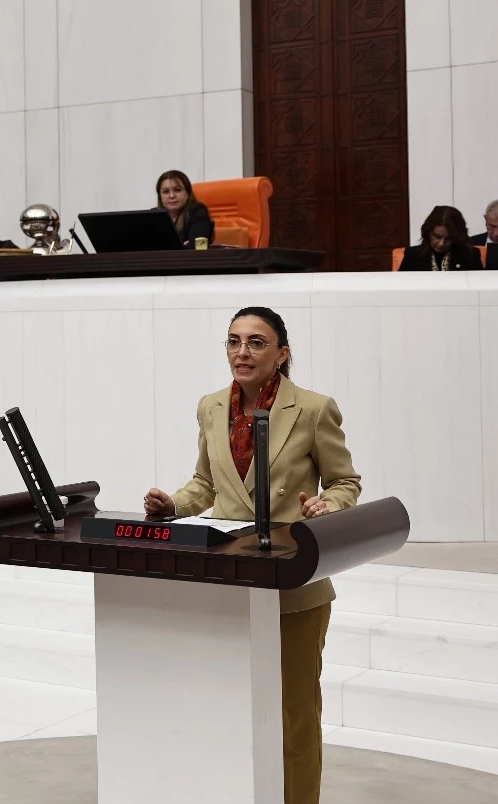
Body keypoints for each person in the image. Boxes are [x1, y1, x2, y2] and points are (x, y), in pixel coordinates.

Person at [144, 307, 360, 804]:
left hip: (293, 582)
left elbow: (345, 481)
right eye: (234, 341)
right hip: (230, 581)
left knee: (294, 715)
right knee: (231, 710)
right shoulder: (211, 406)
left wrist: (328, 505)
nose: (242, 351)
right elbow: (205, 482)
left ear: (282, 354)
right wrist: (173, 505)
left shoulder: (313, 409)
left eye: (257, 342)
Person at [399, 205, 483, 271]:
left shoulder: (471, 255)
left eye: (448, 239)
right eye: (437, 237)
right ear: (428, 232)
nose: (441, 243)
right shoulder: (412, 256)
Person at [155, 170, 214, 247]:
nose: (172, 196)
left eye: (177, 190)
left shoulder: (198, 211)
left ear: (188, 193)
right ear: (160, 196)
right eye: (166, 192)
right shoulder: (154, 215)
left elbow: (195, 246)